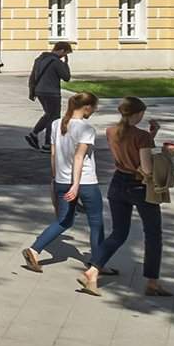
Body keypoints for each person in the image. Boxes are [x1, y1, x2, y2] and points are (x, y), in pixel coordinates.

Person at [82, 98, 174, 297]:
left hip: (117, 184)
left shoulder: (110, 131)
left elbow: (128, 147)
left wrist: (151, 136)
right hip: (139, 188)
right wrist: (165, 156)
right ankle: (152, 282)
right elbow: (146, 169)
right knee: (153, 235)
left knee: (118, 233)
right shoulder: (141, 136)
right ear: (138, 114)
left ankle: (93, 270)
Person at [21, 90, 105, 274]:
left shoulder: (57, 124)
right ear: (86, 107)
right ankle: (97, 264)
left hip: (60, 179)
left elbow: (53, 154)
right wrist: (76, 184)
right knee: (96, 222)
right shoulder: (86, 129)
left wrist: (55, 179)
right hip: (85, 182)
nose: (94, 111)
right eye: (94, 108)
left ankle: (34, 250)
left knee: (63, 220)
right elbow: (79, 158)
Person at [25, 41, 73, 150]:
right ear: (61, 50)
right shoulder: (56, 62)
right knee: (54, 118)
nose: (64, 56)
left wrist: (31, 91)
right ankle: (48, 143)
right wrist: (65, 63)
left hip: (40, 91)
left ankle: (34, 134)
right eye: (65, 53)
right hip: (52, 93)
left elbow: (33, 76)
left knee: (48, 114)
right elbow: (66, 77)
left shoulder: (40, 59)